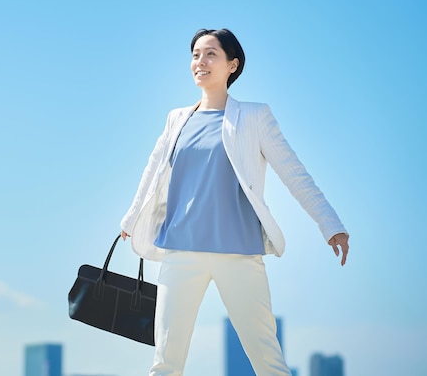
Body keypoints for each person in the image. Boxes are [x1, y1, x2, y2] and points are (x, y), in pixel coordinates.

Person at [119, 28, 349, 376]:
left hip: (238, 253)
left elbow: (294, 173)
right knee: (165, 362)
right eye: (196, 54)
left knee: (267, 359)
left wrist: (330, 224)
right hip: (181, 251)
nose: (201, 61)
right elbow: (151, 172)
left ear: (232, 64)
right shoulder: (177, 119)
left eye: (211, 54)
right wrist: (131, 218)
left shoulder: (254, 116)